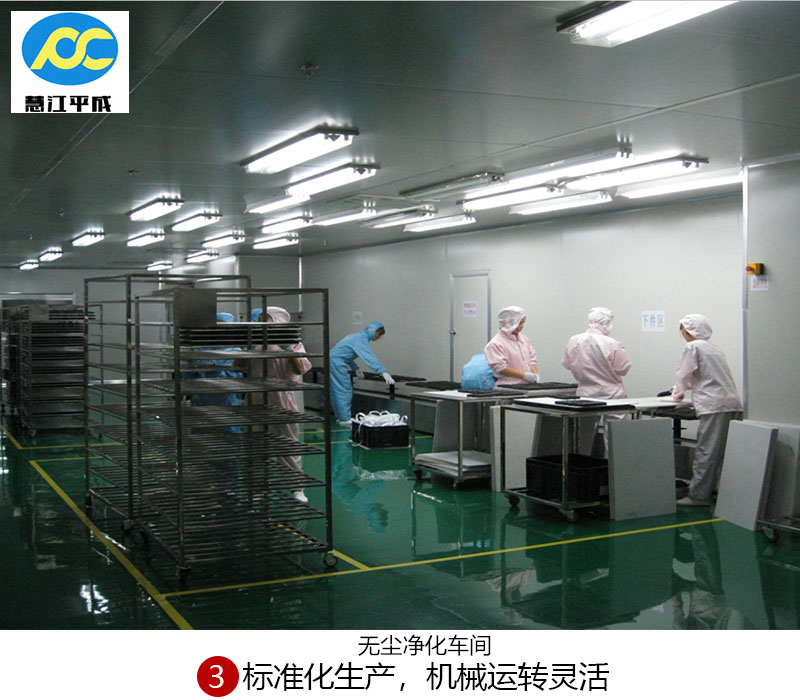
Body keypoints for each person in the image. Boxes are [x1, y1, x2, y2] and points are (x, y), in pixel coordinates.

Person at [671, 313, 743, 507]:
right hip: (731, 403)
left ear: (688, 330)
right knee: (723, 452)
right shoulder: (714, 349)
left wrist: (677, 393)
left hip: (713, 406)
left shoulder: (693, 347)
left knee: (707, 451)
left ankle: (699, 496)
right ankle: (719, 491)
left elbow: (684, 374)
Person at [248, 306, 313, 503]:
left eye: (264, 319)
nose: (260, 323)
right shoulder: (256, 342)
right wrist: (243, 350)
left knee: (288, 446)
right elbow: (238, 365)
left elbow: (300, 369)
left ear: (276, 320)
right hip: (256, 398)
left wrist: (288, 350)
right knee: (257, 447)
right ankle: (258, 488)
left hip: (282, 398)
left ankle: (297, 488)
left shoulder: (294, 343)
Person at [562, 307, 631, 455]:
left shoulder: (574, 340)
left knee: (582, 439)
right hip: (612, 395)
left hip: (586, 394)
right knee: (616, 440)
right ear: (606, 323)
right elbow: (623, 369)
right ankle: (614, 469)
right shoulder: (611, 343)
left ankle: (581, 466)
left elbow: (567, 364)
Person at [329, 321, 393, 424]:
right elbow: (369, 358)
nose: (378, 337)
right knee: (344, 390)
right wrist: (383, 372)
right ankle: (344, 419)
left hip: (333, 361)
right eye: (379, 335)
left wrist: (356, 368)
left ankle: (341, 417)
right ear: (375, 332)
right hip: (337, 363)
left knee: (337, 390)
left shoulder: (356, 337)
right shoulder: (361, 340)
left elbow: (345, 354)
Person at [483, 306, 538, 386]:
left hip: (527, 385)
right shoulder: (496, 343)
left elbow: (532, 359)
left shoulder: (524, 340)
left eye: (523, 323)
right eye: (519, 323)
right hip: (508, 386)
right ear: (509, 322)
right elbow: (500, 367)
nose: (521, 326)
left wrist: (535, 374)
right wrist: (524, 375)